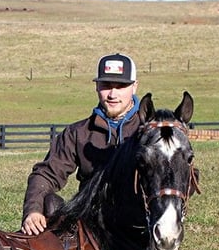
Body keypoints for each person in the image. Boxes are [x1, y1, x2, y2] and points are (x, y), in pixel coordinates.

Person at [21, 52, 143, 235]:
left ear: (134, 87)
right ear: (96, 86)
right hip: (91, 224)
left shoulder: (149, 132)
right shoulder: (78, 133)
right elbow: (47, 174)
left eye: (121, 86)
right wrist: (33, 210)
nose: (112, 94)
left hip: (138, 224)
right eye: (106, 85)